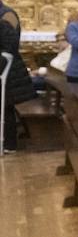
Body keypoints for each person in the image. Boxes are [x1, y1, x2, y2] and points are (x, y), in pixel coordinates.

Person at [1, 12, 36, 152]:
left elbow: (9, 50)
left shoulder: (4, 23)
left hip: (8, 76)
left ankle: (9, 144)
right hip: (7, 74)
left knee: (5, 109)